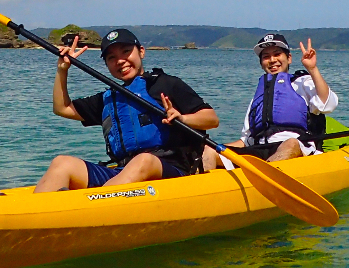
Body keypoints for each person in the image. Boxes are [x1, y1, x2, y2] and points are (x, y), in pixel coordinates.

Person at [33, 28, 220, 192]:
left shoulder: (166, 84)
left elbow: (211, 119)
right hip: (123, 173)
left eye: (126, 52)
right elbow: (62, 108)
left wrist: (182, 118)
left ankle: (95, 206)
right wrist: (62, 70)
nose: (120, 61)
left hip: (172, 173)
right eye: (111, 58)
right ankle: (34, 214)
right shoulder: (109, 98)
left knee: (143, 160)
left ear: (141, 52)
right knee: (62, 163)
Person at [202, 32, 337, 170]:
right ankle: (204, 187)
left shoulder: (303, 82)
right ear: (261, 64)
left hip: (297, 147)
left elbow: (328, 105)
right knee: (210, 150)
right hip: (259, 150)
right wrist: (218, 148)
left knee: (290, 144)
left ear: (289, 58)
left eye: (277, 54)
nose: (272, 60)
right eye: (266, 57)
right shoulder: (259, 97)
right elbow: (245, 141)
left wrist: (312, 69)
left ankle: (264, 178)